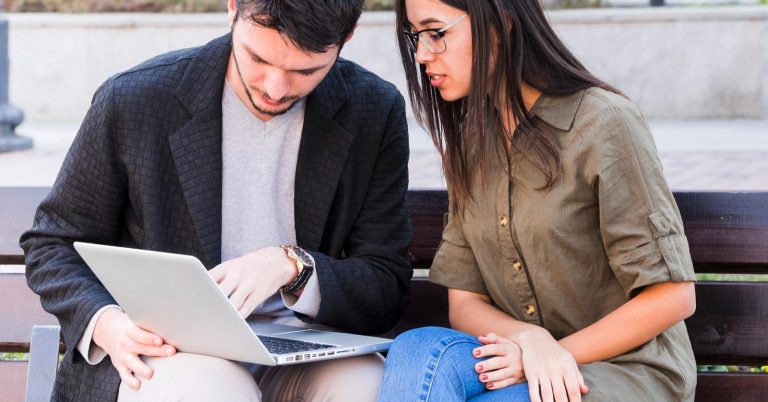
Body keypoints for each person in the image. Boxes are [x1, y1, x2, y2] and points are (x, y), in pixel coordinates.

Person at [20, 0, 412, 401]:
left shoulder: (373, 111)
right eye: (258, 57)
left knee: (367, 386)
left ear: (347, 36)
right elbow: (53, 245)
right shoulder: (136, 99)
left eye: (305, 70)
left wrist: (292, 266)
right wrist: (107, 324)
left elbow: (384, 280)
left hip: (303, 355)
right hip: (168, 353)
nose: (275, 87)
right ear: (232, 8)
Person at [376, 0, 697, 401]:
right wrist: (530, 340)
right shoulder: (474, 141)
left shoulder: (604, 123)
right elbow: (465, 305)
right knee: (418, 350)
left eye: (437, 33)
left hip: (624, 370)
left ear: (500, 25)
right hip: (520, 353)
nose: (422, 53)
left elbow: (672, 296)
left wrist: (550, 354)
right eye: (416, 35)